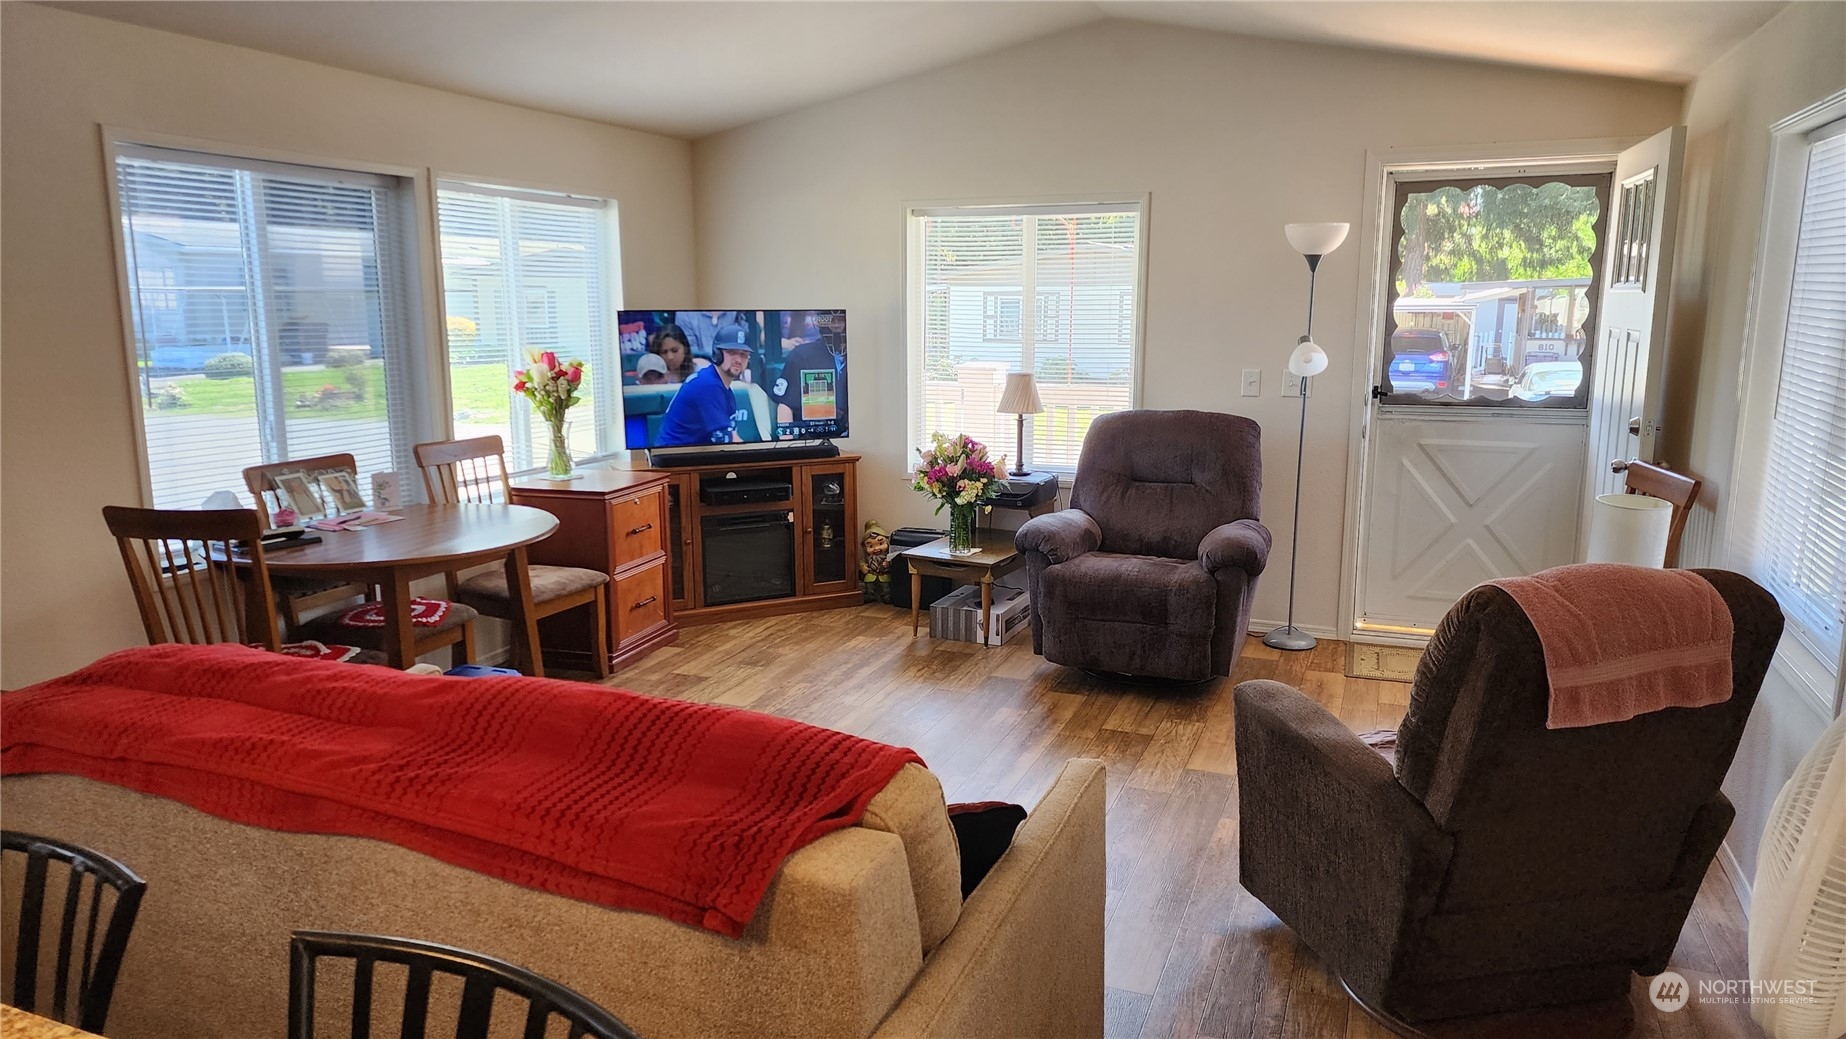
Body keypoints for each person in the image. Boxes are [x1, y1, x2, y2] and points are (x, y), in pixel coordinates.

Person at [657, 327, 754, 446]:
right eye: (732, 352)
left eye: (744, 354)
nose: (738, 359)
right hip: (673, 456)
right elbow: (728, 440)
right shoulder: (708, 385)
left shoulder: (720, 386)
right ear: (717, 353)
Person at [770, 310, 848, 436]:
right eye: (832, 320)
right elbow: (786, 405)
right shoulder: (802, 356)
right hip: (814, 439)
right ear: (820, 322)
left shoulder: (863, 357)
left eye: (841, 320)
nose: (837, 325)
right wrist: (786, 445)